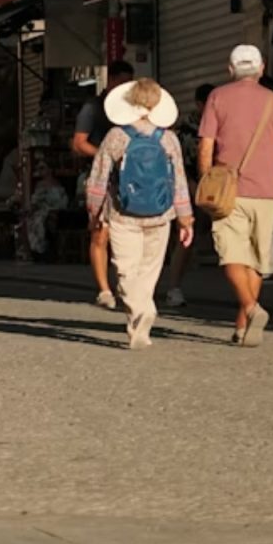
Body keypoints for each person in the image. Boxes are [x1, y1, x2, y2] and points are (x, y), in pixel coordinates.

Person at [198, 44, 273, 347]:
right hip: (268, 191)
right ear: (262, 68)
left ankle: (251, 309)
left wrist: (206, 181)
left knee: (230, 253)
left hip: (228, 191)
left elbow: (206, 146)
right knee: (257, 260)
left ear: (230, 69)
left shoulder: (217, 97)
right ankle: (243, 324)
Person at [86, 78, 193, 350]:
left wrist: (93, 211)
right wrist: (185, 216)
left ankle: (139, 314)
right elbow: (178, 180)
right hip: (161, 214)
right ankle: (141, 321)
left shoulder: (116, 137)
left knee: (125, 269)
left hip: (123, 213)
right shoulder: (168, 138)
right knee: (149, 270)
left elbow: (98, 179)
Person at [72, 60, 135, 309]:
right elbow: (78, 143)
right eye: (123, 81)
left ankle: (126, 285)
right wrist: (105, 155)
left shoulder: (134, 108)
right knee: (100, 231)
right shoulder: (94, 107)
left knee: (128, 232)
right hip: (101, 176)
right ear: (111, 81)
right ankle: (104, 289)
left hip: (131, 176)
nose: (127, 87)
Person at [164, 82, 215, 308]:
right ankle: (174, 287)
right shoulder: (186, 130)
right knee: (185, 239)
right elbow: (181, 165)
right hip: (190, 190)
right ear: (199, 104)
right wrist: (193, 189)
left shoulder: (222, 124)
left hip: (220, 189)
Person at [23, 160, 69, 259]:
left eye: (42, 168)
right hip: (43, 211)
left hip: (56, 211)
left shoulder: (56, 184)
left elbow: (62, 200)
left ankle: (42, 250)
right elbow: (36, 201)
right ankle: (37, 250)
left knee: (38, 220)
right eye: (38, 168)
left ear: (49, 170)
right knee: (32, 220)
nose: (40, 171)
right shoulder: (40, 184)